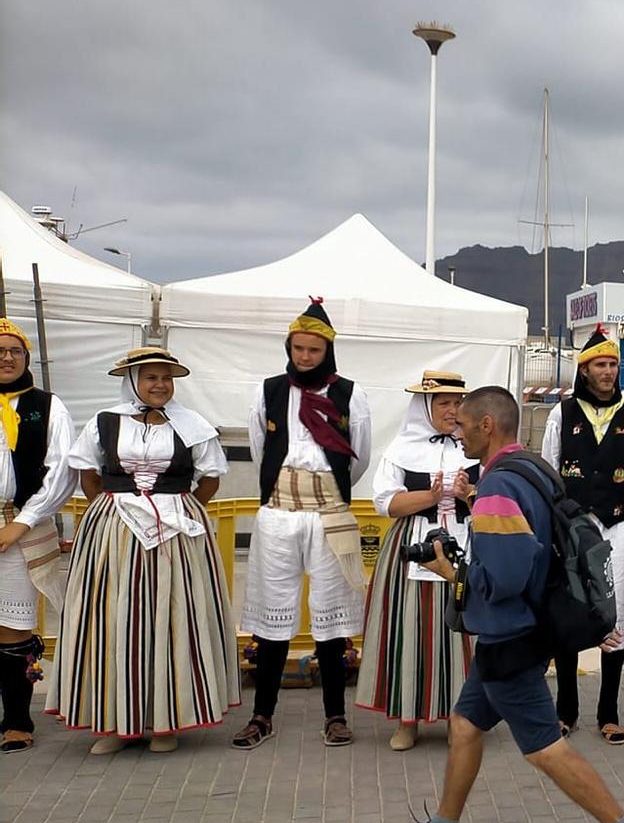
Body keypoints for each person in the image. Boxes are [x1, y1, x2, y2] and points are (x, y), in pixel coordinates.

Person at [381, 386, 624, 823]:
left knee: (543, 749)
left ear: (488, 426)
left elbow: (506, 576)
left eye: (464, 425)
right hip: (526, 625)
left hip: (509, 632)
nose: (457, 432)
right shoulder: (528, 469)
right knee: (466, 724)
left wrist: (449, 571)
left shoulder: (496, 491)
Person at [49, 348, 238, 754]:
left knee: (173, 617)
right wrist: (111, 508)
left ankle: (165, 722)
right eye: (151, 377)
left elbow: (210, 479)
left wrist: (182, 507)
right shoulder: (106, 422)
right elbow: (88, 473)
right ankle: (117, 723)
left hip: (176, 529)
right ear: (133, 380)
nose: (160, 385)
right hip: (116, 527)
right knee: (115, 618)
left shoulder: (192, 425)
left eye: (166, 378)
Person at [234, 300, 372, 750]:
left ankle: (335, 715)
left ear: (327, 350)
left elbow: (359, 456)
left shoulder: (349, 394)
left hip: (330, 512)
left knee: (331, 619)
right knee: (273, 617)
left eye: (314, 350)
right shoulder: (270, 390)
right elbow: (262, 448)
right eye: (298, 349)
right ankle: (262, 715)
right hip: (279, 514)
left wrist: (324, 492)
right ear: (289, 348)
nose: (305, 357)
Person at [541, 326, 624, 744]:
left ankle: (608, 713)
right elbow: (550, 469)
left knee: (614, 617)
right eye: (599, 365)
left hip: (616, 530)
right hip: (573, 532)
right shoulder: (563, 413)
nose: (607, 372)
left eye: (612, 364)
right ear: (584, 369)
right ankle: (566, 710)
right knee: (571, 615)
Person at [355, 369, 478, 750]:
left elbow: (490, 501)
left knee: (463, 631)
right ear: (425, 406)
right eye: (444, 403)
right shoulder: (400, 449)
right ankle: (408, 719)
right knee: (410, 630)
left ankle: (465, 719)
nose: (453, 410)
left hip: (464, 543)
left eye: (458, 403)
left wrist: (469, 493)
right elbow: (387, 503)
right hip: (413, 546)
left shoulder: (473, 449)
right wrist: (430, 496)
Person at [0, 320, 75, 754]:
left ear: (27, 358)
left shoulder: (47, 406)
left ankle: (15, 720)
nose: (7, 357)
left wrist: (23, 521)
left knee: (12, 626)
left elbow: (61, 470)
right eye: (0, 350)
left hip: (20, 526)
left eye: (16, 350)